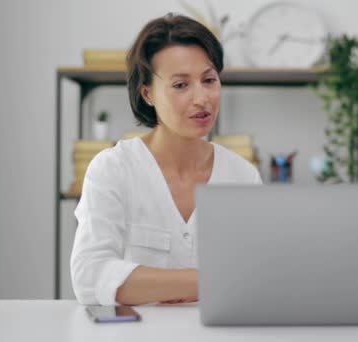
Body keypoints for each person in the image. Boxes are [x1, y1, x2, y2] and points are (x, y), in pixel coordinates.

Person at [70, 14, 261, 306]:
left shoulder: (242, 176)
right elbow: (89, 276)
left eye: (209, 80)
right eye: (181, 85)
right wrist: (206, 281)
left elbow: (257, 277)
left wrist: (151, 284)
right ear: (147, 93)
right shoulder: (112, 169)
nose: (202, 98)